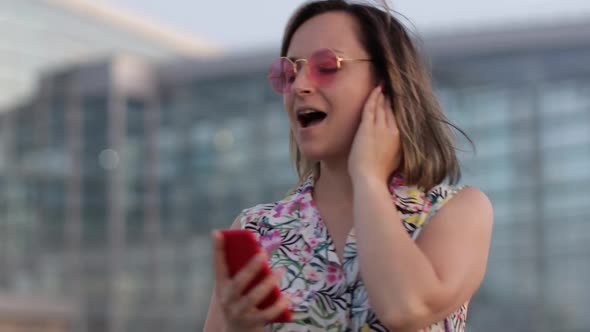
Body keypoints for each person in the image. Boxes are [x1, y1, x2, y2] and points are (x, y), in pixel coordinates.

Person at [203, 0, 493, 331]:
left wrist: (368, 177)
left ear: (386, 82)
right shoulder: (257, 230)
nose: (300, 86)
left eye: (327, 66)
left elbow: (406, 307)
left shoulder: (455, 211)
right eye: (289, 72)